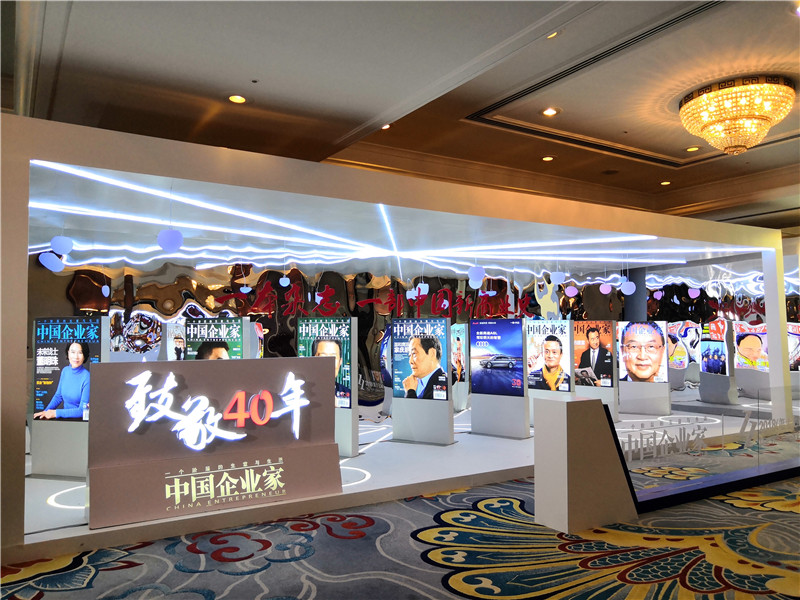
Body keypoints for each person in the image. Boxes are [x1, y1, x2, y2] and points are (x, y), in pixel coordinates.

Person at [33, 342, 91, 419]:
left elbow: (82, 411)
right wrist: (45, 412)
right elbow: (58, 396)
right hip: (64, 420)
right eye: (73, 352)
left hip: (79, 422)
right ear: (68, 353)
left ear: (84, 356)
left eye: (80, 353)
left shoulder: (87, 377)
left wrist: (55, 413)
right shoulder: (65, 371)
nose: (76, 356)